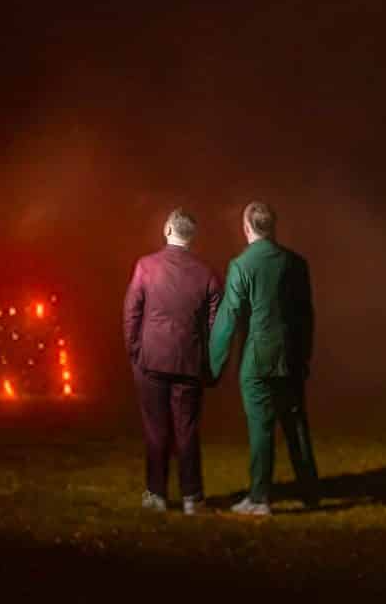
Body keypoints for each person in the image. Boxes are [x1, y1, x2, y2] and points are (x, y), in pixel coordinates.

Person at [208, 200, 318, 517]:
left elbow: (229, 316)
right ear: (273, 227)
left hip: (258, 358)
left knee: (262, 426)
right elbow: (306, 315)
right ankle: (310, 492)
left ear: (246, 228)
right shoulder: (297, 264)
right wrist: (305, 354)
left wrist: (213, 364)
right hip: (292, 356)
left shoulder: (242, 265)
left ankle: (259, 498)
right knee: (296, 423)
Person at [123, 208, 223, 513]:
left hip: (152, 359)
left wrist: (135, 352)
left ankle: (157, 494)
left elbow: (131, 313)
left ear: (168, 230)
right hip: (189, 362)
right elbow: (215, 326)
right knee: (187, 429)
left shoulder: (145, 266)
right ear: (192, 236)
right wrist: (210, 365)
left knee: (156, 429)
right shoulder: (207, 273)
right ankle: (193, 497)